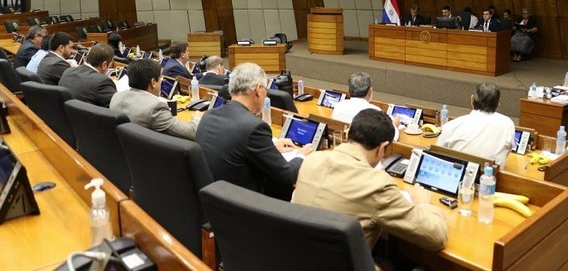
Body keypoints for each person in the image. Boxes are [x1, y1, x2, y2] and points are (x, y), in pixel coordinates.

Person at [291, 109, 447, 255]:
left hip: (295, 258)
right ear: (382, 148)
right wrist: (423, 204)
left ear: (347, 135)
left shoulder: (311, 160)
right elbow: (436, 237)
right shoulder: (377, 184)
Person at [195, 62, 313, 196]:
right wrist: (302, 155)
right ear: (258, 90)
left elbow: (236, 145)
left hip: (212, 199)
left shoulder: (209, 115)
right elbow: (288, 175)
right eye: (266, 91)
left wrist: (271, 147)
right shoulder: (254, 127)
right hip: (242, 206)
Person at [110, 59, 197, 140]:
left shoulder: (116, 96)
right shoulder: (155, 108)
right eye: (160, 79)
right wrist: (197, 118)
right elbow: (192, 132)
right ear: (153, 82)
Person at [436, 82, 515, 168]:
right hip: (493, 178)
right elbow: (507, 151)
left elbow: (437, 155)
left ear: (472, 99)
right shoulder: (508, 123)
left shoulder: (451, 126)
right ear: (498, 104)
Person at [331, 72, 400, 140]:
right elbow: (393, 137)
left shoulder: (339, 105)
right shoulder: (375, 112)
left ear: (348, 90)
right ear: (370, 91)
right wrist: (394, 125)